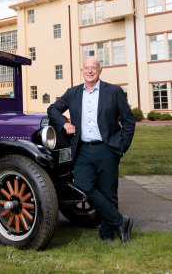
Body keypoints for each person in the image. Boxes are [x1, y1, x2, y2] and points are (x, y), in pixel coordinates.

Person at [47, 56, 136, 242]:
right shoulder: (73, 93)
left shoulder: (113, 91)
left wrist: (121, 145)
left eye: (93, 68)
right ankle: (121, 221)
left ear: (99, 70)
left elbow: (129, 121)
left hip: (107, 149)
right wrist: (65, 123)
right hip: (82, 150)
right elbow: (53, 109)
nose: (89, 71)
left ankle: (107, 235)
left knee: (108, 192)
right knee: (82, 186)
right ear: (82, 70)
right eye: (86, 68)